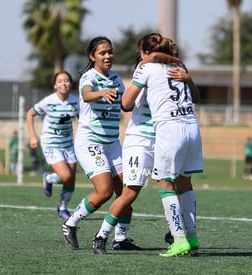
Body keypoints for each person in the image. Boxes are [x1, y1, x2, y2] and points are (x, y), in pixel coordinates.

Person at [94, 33, 203, 257]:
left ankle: (181, 237)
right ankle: (102, 236)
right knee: (132, 191)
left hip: (166, 134)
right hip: (143, 139)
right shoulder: (175, 67)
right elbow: (128, 104)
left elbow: (125, 104)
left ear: (145, 53)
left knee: (170, 185)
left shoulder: (149, 68)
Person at [61, 36, 140, 251]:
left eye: (110, 52)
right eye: (102, 53)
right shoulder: (89, 77)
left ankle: (120, 239)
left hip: (112, 143)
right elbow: (86, 95)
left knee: (127, 191)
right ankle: (70, 223)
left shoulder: (115, 78)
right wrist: (101, 93)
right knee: (104, 191)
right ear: (92, 56)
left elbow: (125, 105)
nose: (108, 56)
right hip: (90, 142)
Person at [26, 70, 79, 220]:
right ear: (55, 85)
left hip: (68, 144)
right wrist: (32, 136)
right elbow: (30, 114)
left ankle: (62, 208)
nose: (64, 83)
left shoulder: (76, 102)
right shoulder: (48, 102)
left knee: (71, 179)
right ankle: (48, 178)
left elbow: (84, 119)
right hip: (51, 144)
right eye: (60, 81)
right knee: (65, 176)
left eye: (67, 81)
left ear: (70, 84)